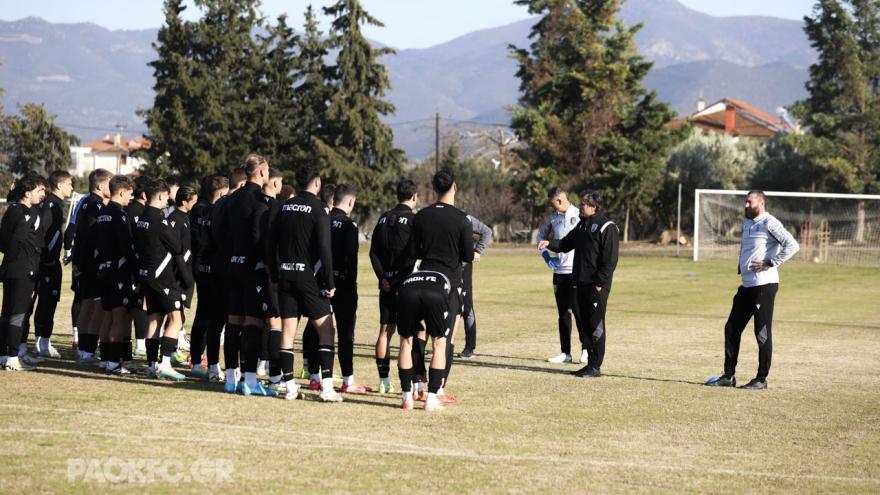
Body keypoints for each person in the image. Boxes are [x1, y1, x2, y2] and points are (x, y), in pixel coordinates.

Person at [705, 190, 799, 390]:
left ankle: (761, 379)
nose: (746, 205)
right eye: (745, 202)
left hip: (764, 286)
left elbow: (792, 245)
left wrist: (771, 262)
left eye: (750, 202)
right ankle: (728, 376)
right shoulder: (747, 222)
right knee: (731, 329)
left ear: (761, 203)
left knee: (762, 333)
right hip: (746, 286)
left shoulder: (769, 222)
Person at [267, 162, 342, 402]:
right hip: (307, 278)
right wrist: (329, 281)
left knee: (287, 332)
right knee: (327, 329)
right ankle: (327, 388)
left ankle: (289, 387)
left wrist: (275, 274)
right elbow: (324, 249)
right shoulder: (320, 209)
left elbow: (271, 244)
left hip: (285, 275)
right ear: (317, 183)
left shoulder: (284, 206)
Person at [538, 191, 619, 378]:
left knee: (595, 324)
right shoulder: (583, 225)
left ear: (594, 207)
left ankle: (595, 366)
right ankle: (590, 362)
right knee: (584, 324)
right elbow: (566, 244)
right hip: (579, 283)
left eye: (584, 204)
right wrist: (549, 243)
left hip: (595, 286)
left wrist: (599, 284)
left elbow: (610, 261)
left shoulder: (607, 227)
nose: (580, 206)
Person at [411, 170, 474, 401]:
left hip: (422, 279)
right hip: (449, 283)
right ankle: (437, 390)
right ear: (454, 187)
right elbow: (467, 255)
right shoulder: (461, 218)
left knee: (421, 332)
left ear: (434, 188)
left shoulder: (421, 215)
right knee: (444, 338)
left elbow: (414, 250)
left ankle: (418, 383)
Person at [222, 155, 275, 397]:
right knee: (253, 323)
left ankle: (230, 377)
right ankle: (250, 380)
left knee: (233, 322)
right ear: (261, 172)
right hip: (252, 268)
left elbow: (220, 230)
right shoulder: (261, 199)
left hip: (232, 264)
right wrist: (264, 261)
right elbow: (259, 235)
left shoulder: (231, 199)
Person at [132, 179, 186, 381]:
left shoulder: (141, 218)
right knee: (176, 319)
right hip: (161, 277)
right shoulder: (159, 220)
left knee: (154, 319)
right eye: (166, 197)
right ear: (161, 196)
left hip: (145, 275)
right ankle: (164, 363)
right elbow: (177, 245)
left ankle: (151, 365)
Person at [369, 179, 418, 394]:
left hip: (386, 283)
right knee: (407, 335)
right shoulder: (413, 220)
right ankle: (409, 384)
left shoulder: (382, 219)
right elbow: (412, 254)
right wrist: (398, 278)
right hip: (405, 283)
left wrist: (383, 277)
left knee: (384, 332)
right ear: (414, 196)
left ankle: (384, 380)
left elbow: (373, 253)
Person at [327, 184, 371, 393]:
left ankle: (316, 375)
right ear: (350, 201)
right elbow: (350, 260)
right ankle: (347, 380)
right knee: (345, 333)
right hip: (343, 284)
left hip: (320, 283)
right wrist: (350, 285)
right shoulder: (348, 226)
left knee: (317, 329)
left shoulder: (322, 220)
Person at [0, 175, 46, 370]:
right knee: (17, 314)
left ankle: (3, 355)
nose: (42, 195)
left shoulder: (12, 209)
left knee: (7, 313)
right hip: (23, 271)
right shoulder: (26, 213)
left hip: (11, 269)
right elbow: (15, 242)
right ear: (27, 194)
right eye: (39, 191)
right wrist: (26, 265)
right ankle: (12, 357)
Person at [536, 186, 586, 364]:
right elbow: (539, 237)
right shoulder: (553, 218)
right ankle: (566, 353)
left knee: (578, 311)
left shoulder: (579, 215)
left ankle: (585, 349)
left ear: (559, 200)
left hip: (575, 271)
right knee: (563, 313)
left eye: (552, 203)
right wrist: (546, 256)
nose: (552, 207)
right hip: (559, 273)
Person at [92, 175, 136, 374]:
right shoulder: (119, 214)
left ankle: (104, 359)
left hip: (103, 269)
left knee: (107, 315)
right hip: (118, 271)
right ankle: (114, 361)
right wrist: (135, 264)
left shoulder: (102, 213)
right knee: (118, 316)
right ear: (121, 192)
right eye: (130, 193)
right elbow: (126, 245)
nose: (131, 197)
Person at [396, 270, 457, 411]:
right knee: (439, 344)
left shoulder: (410, 277)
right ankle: (431, 399)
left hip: (407, 294)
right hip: (435, 295)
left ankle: (406, 397)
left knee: (405, 343)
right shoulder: (444, 278)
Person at [189, 174, 229, 381]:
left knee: (203, 314)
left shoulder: (197, 209)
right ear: (222, 193)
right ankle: (208, 363)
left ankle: (197, 360)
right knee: (215, 318)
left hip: (199, 267)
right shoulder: (216, 212)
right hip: (213, 269)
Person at [71, 168, 114, 363]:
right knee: (93, 306)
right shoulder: (93, 205)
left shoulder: (90, 204)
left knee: (88, 304)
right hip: (91, 265)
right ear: (99, 185)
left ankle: (85, 350)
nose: (111, 188)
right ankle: (87, 350)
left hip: (86, 263)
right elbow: (89, 238)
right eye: (109, 184)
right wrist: (86, 263)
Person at [31, 170, 73, 358]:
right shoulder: (51, 205)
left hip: (52, 262)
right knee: (45, 303)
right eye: (69, 184)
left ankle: (44, 341)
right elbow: (43, 233)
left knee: (50, 303)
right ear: (59, 185)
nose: (71, 187)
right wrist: (46, 258)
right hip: (46, 263)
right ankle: (41, 343)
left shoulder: (57, 204)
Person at [458, 213, 493, 358]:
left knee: (466, 307)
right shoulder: (435, 215)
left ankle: (469, 347)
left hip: (463, 266)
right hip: (444, 267)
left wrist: (478, 250)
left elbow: (487, 231)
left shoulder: (464, 217)